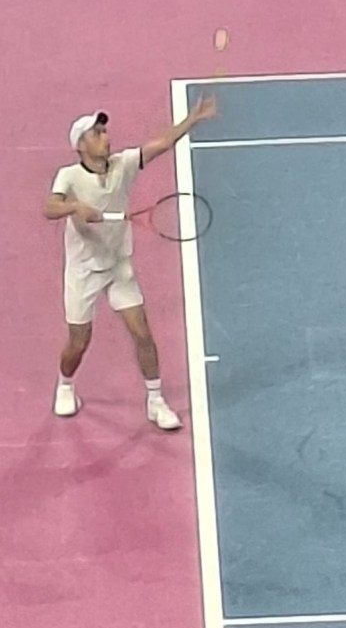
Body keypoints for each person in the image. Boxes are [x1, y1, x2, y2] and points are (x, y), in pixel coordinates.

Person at [44, 98, 217, 429]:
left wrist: (193, 119)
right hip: (83, 273)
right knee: (79, 342)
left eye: (104, 130)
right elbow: (49, 207)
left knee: (142, 333)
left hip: (118, 267)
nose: (105, 136)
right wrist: (74, 208)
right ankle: (65, 385)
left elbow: (162, 143)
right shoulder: (67, 177)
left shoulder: (124, 163)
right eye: (96, 133)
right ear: (80, 146)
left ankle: (155, 400)